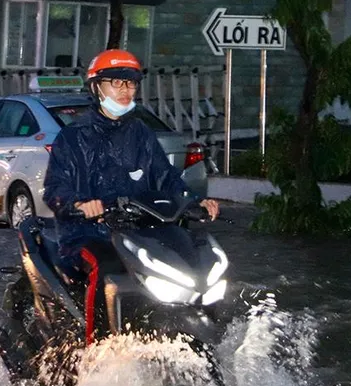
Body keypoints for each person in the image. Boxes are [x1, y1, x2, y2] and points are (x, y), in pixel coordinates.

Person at [42, 49, 219, 337]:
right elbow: (54, 189)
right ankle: (94, 350)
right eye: (117, 83)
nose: (126, 90)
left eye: (131, 83)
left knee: (194, 256)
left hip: (140, 230)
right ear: (97, 87)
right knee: (105, 265)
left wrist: (195, 202)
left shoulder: (141, 133)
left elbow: (168, 178)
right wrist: (79, 204)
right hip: (87, 233)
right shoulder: (72, 137)